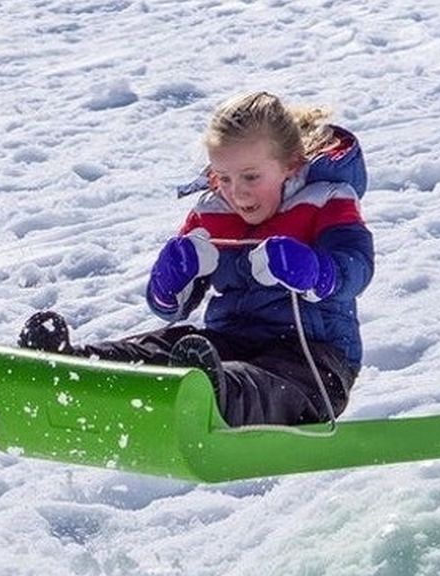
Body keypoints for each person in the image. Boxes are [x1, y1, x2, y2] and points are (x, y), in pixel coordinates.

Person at [18, 90, 374, 427]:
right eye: (224, 178)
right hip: (230, 343)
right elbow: (170, 308)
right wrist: (172, 278)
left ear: (290, 164)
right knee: (168, 346)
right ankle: (72, 370)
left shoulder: (327, 200)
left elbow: (356, 265)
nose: (237, 191)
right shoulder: (212, 211)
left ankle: (210, 397)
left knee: (267, 382)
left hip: (315, 360)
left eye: (251, 176)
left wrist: (314, 271)